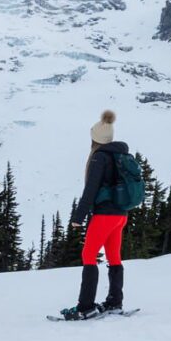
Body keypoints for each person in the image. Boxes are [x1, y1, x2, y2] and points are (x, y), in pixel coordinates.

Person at [61, 109, 130, 320]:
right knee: (114, 257)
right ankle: (114, 302)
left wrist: (77, 217)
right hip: (121, 215)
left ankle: (86, 306)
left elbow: (90, 190)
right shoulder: (120, 154)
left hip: (104, 215)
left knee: (88, 255)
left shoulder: (99, 158)